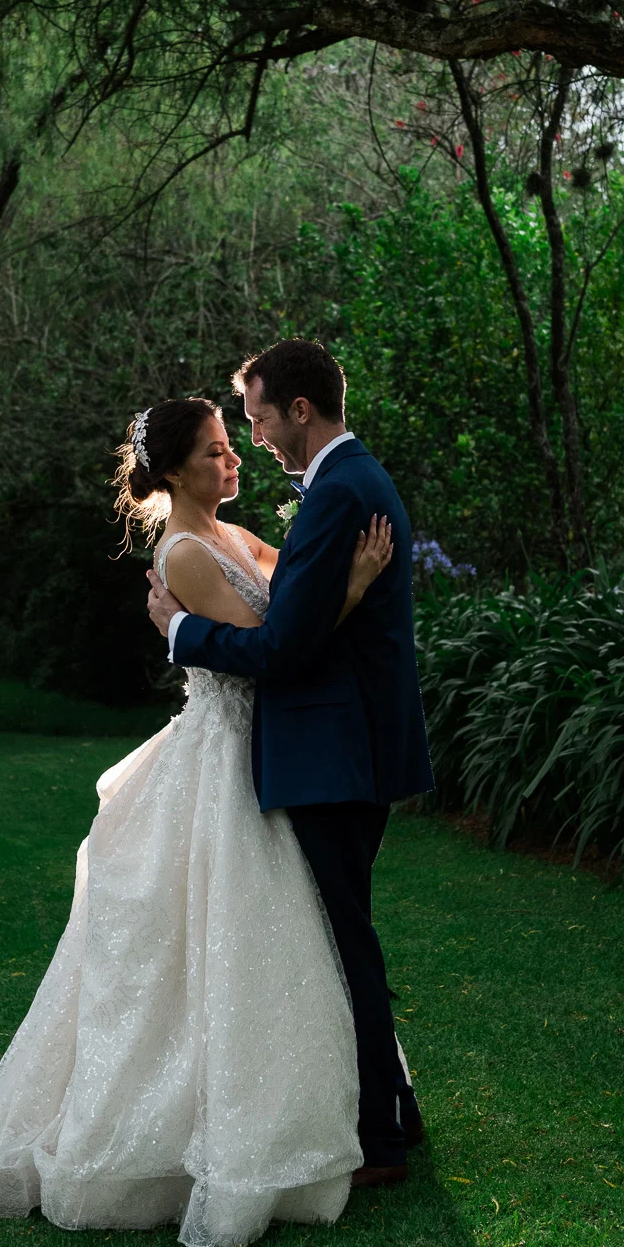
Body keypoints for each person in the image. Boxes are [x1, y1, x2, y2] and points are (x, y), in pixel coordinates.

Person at [0, 395, 392, 1247]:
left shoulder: (232, 537)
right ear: (172, 471)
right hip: (222, 762)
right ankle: (198, 1128)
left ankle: (339, 1112)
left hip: (256, 753)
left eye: (232, 446)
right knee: (217, 939)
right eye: (215, 451)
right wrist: (351, 588)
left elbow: (294, 597)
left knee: (269, 938)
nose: (234, 459)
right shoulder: (185, 553)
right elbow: (281, 651)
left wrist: (336, 574)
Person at [147, 338, 435, 1187]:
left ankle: (379, 1136)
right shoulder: (348, 486)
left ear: (298, 410)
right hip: (334, 746)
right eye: (227, 438)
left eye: (258, 419)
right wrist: (342, 593)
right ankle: (389, 1114)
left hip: (331, 750)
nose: (253, 440)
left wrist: (178, 631)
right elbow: (299, 622)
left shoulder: (338, 493)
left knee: (342, 942)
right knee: (337, 937)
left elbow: (278, 647)